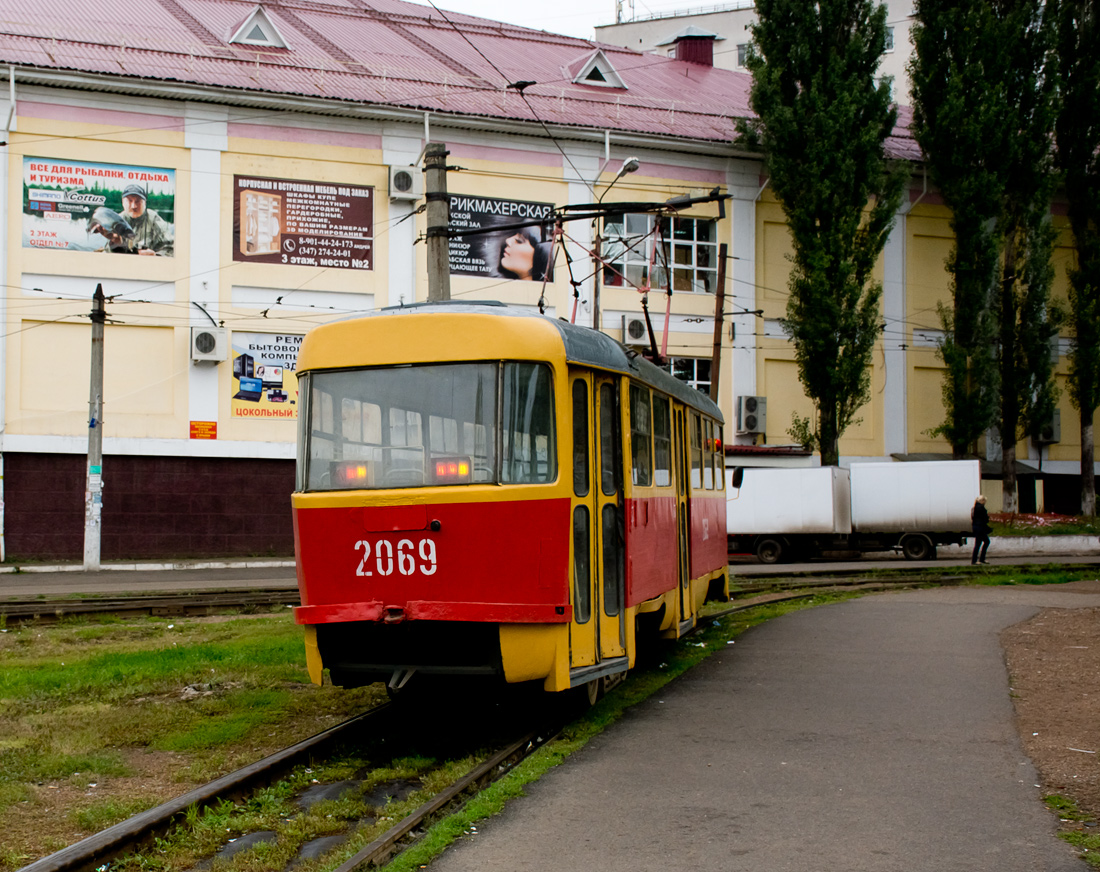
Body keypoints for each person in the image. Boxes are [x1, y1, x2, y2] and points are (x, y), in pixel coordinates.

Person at [102, 183, 174, 256]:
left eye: (138, 201)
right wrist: (114, 243)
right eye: (130, 201)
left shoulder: (154, 218)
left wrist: (155, 256)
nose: (134, 206)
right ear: (123, 202)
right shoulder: (117, 220)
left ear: (145, 203)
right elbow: (107, 252)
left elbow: (171, 249)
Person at [971, 494, 991, 565]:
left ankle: (979, 559)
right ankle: (976, 560)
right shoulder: (980, 508)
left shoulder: (974, 507)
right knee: (982, 542)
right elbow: (984, 518)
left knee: (982, 542)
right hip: (980, 527)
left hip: (976, 527)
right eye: (984, 501)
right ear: (982, 501)